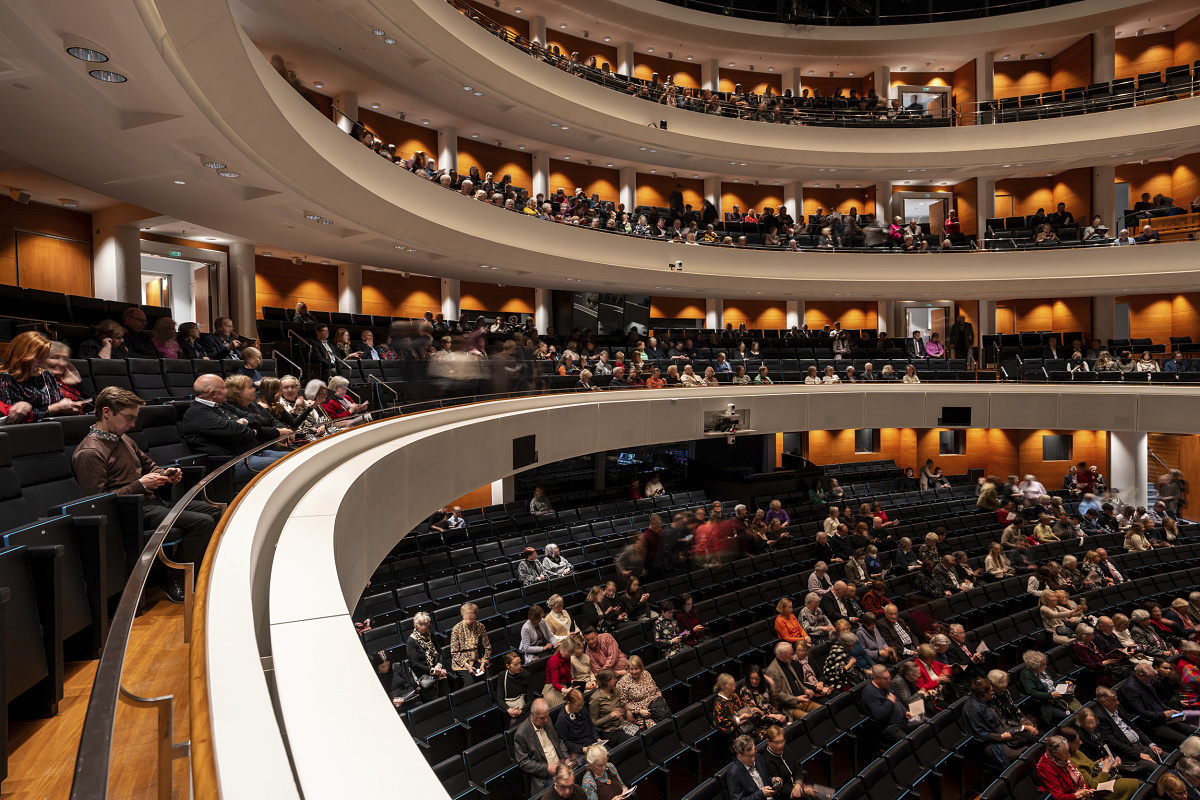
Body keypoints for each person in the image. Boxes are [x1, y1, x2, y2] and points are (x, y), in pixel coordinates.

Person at [72, 385, 220, 602]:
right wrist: (140, 485)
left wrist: (166, 474)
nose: (132, 425)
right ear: (106, 412)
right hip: (130, 512)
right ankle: (173, 577)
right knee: (203, 522)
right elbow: (97, 501)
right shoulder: (89, 452)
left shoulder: (123, 439)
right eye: (128, 418)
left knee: (214, 511)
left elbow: (150, 466)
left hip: (152, 502)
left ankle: (195, 570)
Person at [181, 374, 288, 485]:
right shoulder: (199, 413)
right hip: (229, 464)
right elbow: (235, 431)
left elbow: (256, 418)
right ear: (212, 393)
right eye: (223, 388)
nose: (227, 391)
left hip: (251, 453)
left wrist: (242, 422)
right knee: (286, 465)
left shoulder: (223, 405)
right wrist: (251, 430)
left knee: (297, 457)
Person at [0, 331, 85, 423]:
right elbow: (12, 418)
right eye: (38, 358)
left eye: (44, 357)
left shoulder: (47, 375)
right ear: (23, 356)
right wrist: (54, 408)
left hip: (56, 426)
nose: (42, 362)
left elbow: (60, 405)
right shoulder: (7, 378)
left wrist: (70, 407)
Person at [965, 677, 1029, 768]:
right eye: (990, 691)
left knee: (1031, 742)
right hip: (990, 743)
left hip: (1005, 732)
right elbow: (978, 734)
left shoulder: (988, 700)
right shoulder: (973, 709)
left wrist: (1011, 731)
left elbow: (1000, 718)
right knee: (1024, 756)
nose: (992, 692)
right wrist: (1001, 737)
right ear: (983, 693)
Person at [515, 699, 570, 792]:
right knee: (565, 788)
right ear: (533, 714)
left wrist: (566, 757)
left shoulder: (547, 720)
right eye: (542, 718)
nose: (545, 720)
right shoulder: (521, 733)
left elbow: (558, 741)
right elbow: (523, 762)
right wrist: (547, 769)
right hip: (545, 776)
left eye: (547, 716)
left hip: (561, 766)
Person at [764, 642, 821, 720]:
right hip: (790, 707)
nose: (793, 656)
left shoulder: (788, 662)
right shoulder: (772, 671)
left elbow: (796, 681)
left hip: (802, 700)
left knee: (822, 711)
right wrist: (796, 699)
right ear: (782, 654)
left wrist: (805, 690)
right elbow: (777, 695)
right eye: (791, 654)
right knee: (811, 719)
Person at [862, 664, 911, 747]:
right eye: (885, 678)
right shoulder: (870, 692)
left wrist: (905, 711)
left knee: (925, 724)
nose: (889, 680)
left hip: (902, 720)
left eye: (889, 677)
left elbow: (896, 699)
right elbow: (878, 715)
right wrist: (889, 702)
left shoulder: (886, 684)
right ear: (876, 678)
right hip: (889, 727)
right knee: (910, 743)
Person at [616, 655, 668, 729]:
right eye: (631, 669)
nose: (634, 672)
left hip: (657, 707)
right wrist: (639, 711)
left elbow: (656, 690)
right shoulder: (623, 683)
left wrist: (659, 702)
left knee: (670, 722)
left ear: (641, 667)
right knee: (659, 728)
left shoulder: (646, 674)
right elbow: (623, 704)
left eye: (636, 669)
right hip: (642, 713)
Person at [407, 611, 450, 701]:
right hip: (423, 675)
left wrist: (439, 665)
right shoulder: (411, 641)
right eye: (421, 624)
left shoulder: (431, 636)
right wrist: (432, 670)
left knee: (446, 695)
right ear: (415, 624)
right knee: (436, 700)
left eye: (426, 624)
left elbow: (439, 653)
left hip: (436, 670)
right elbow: (415, 664)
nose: (424, 627)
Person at [450, 602, 491, 686]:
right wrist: (467, 665)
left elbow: (487, 647)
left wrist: (483, 663)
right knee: (470, 683)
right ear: (463, 615)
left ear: (475, 615)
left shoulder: (480, 627)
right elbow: (454, 652)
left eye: (472, 613)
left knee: (487, 679)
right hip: (461, 662)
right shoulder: (456, 629)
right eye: (467, 613)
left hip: (476, 659)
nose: (469, 616)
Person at [589, 669, 632, 746]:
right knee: (633, 742)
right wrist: (610, 715)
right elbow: (594, 723)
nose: (616, 680)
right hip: (609, 731)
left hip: (622, 725)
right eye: (614, 678)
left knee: (641, 734)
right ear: (607, 682)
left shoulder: (615, 691)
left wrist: (626, 711)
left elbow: (619, 709)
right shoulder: (595, 698)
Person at [555, 688, 602, 759]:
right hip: (578, 750)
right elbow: (564, 742)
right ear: (569, 703)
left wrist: (597, 738)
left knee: (607, 753)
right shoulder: (562, 719)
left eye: (582, 704)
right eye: (578, 705)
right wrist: (582, 749)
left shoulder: (583, 709)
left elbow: (591, 725)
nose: (581, 707)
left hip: (591, 743)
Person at [499, 652, 538, 727]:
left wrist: (521, 711)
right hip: (510, 707)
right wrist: (509, 710)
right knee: (513, 722)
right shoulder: (502, 676)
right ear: (508, 666)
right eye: (516, 664)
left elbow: (530, 699)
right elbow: (499, 699)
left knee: (516, 722)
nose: (519, 666)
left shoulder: (526, 675)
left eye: (520, 663)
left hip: (525, 707)